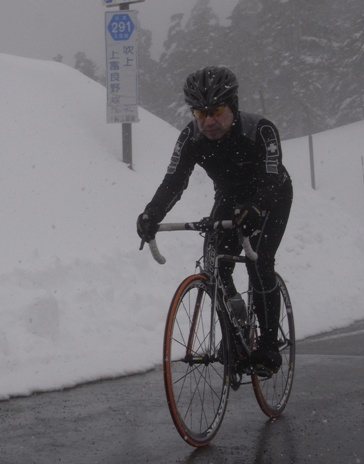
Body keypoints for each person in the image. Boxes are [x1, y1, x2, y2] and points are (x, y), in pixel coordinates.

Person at [137, 66, 293, 372]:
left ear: (233, 105)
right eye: (200, 112)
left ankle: (268, 346)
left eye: (217, 110)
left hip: (271, 197)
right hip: (229, 198)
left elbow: (271, 180)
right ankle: (237, 328)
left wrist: (258, 207)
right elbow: (174, 181)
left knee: (258, 262)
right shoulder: (191, 136)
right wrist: (151, 214)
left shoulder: (260, 130)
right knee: (214, 264)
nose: (208, 120)